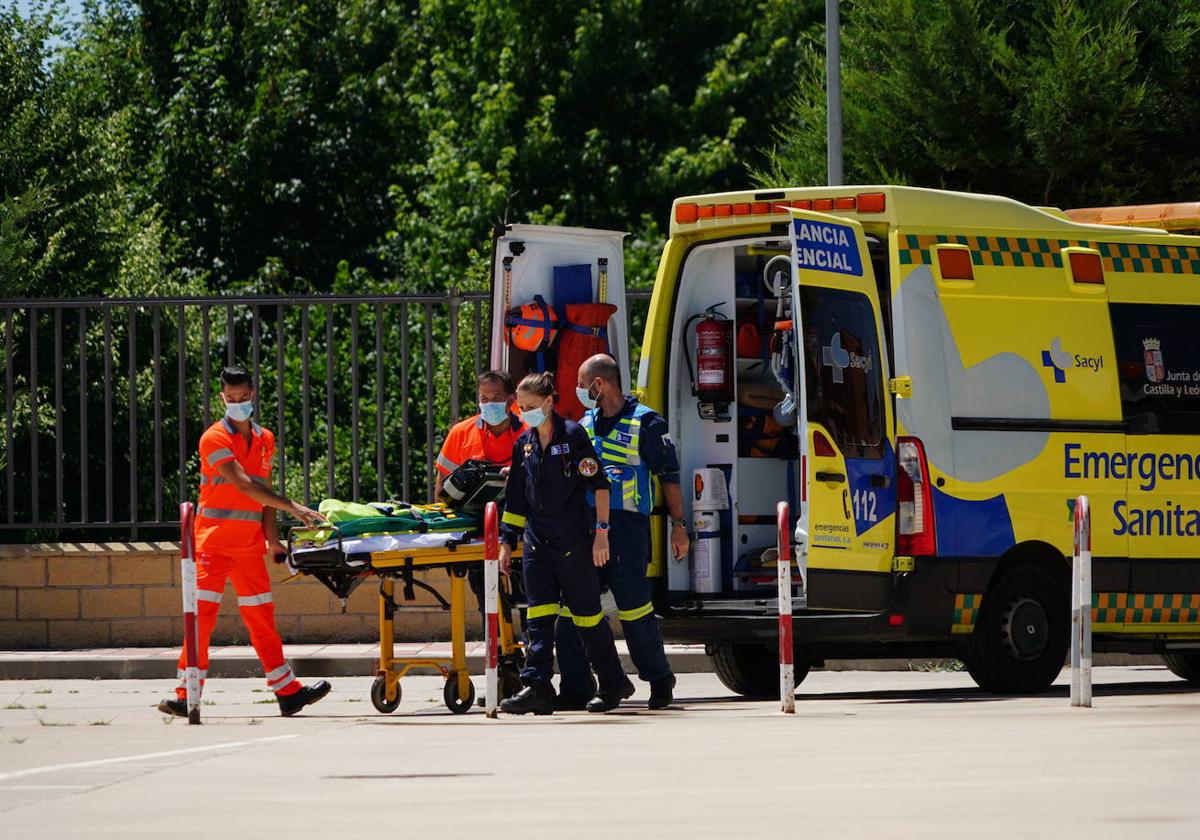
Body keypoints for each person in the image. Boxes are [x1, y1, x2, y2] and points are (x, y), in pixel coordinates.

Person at [158, 365, 331, 718]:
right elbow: (244, 485)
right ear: (222, 397)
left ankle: (287, 692)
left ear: (252, 394)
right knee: (200, 619)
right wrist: (294, 507)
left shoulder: (265, 438)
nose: (237, 403)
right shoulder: (213, 439)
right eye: (231, 398)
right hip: (212, 544)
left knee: (262, 619)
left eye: (243, 397)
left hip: (249, 548)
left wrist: (272, 541)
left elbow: (262, 496)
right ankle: (184, 694)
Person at [557, 353, 690, 710]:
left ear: (600, 385)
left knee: (633, 609)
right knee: (577, 610)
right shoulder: (585, 424)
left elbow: (669, 477)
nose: (580, 393)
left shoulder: (646, 423)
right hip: (586, 528)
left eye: (584, 386)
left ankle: (659, 679)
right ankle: (593, 684)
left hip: (627, 529)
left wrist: (679, 527)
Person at [498, 372, 634, 715]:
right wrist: (506, 542)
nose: (524, 412)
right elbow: (516, 498)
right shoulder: (523, 443)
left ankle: (613, 682)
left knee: (587, 616)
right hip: (536, 540)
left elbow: (600, 486)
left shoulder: (573, 435)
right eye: (520, 406)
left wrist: (601, 534)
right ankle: (538, 685)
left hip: (573, 538)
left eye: (530, 406)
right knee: (538, 615)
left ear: (548, 402)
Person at [433, 370, 525, 501]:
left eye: (496, 398)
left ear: (511, 400)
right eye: (484, 399)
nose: (489, 404)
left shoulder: (529, 432)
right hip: (467, 516)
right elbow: (441, 487)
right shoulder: (460, 432)